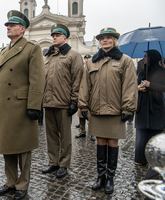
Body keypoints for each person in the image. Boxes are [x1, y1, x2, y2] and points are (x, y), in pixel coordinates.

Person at [0, 10, 45, 200]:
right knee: (6, 146)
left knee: (23, 148)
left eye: (12, 25)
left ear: (22, 29)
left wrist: (34, 105)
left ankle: (22, 183)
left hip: (21, 106)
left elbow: (37, 79)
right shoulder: (4, 51)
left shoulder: (32, 48)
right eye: (7, 25)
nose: (8, 27)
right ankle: (10, 181)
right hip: (3, 106)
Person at [78, 27, 138, 194]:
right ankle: (100, 176)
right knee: (100, 142)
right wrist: (83, 105)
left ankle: (110, 178)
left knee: (113, 143)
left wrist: (128, 107)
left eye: (109, 38)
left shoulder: (125, 60)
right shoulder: (91, 62)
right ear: (99, 41)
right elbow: (85, 85)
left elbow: (130, 85)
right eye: (102, 38)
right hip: (97, 110)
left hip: (115, 110)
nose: (105, 40)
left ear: (114, 40)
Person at [42, 24, 84, 178]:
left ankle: (64, 164)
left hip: (64, 103)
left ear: (65, 38)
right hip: (48, 102)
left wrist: (74, 101)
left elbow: (77, 79)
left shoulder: (74, 55)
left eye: (57, 35)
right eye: (53, 35)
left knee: (65, 136)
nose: (54, 37)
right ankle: (53, 162)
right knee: (51, 135)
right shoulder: (48, 56)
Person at [135, 49, 165, 166]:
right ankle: (140, 159)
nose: (144, 59)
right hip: (143, 106)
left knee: (155, 135)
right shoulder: (143, 71)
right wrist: (138, 88)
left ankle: (154, 160)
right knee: (142, 135)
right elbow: (136, 84)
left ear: (152, 57)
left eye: (146, 56)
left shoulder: (162, 71)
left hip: (156, 107)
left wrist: (150, 85)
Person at [75, 54, 96, 141]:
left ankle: (92, 133)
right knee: (80, 114)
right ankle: (82, 131)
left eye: (88, 58)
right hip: (81, 93)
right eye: (85, 58)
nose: (86, 60)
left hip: (91, 94)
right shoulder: (82, 68)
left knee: (90, 115)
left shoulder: (93, 67)